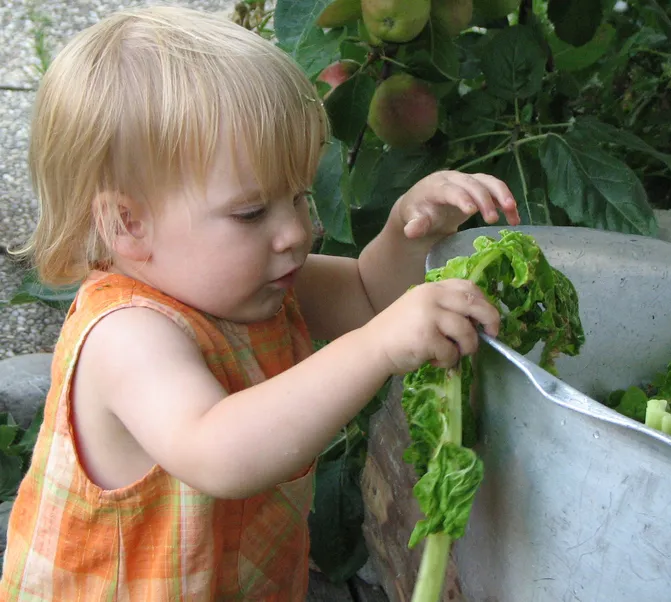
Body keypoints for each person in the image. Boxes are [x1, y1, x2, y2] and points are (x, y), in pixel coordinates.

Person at [0, 5, 520, 601]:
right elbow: (217, 451)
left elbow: (369, 295)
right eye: (251, 213)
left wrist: (412, 227)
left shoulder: (257, 283)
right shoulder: (128, 334)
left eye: (298, 196)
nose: (296, 231)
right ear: (129, 223)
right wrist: (376, 348)